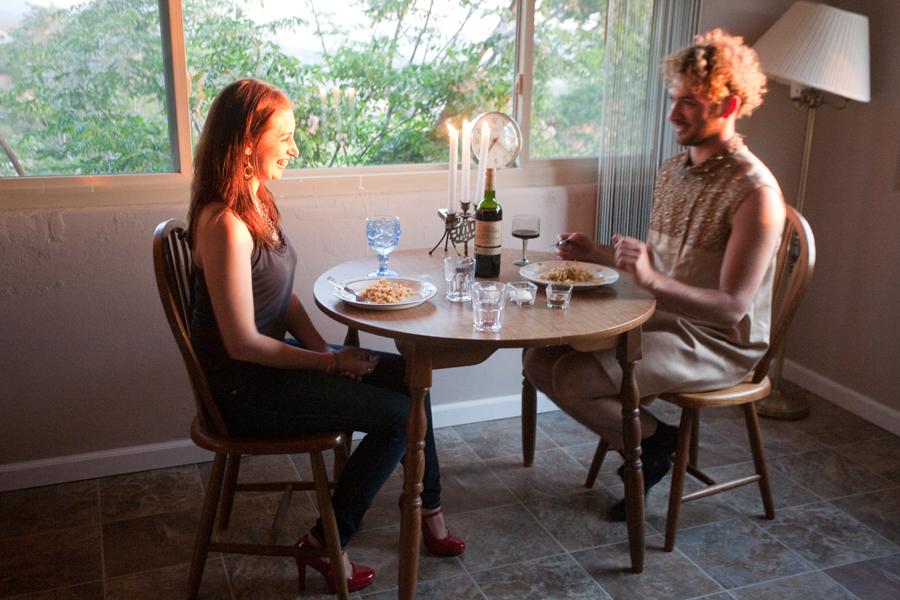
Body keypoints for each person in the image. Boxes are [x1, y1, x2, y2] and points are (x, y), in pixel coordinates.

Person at [187, 79, 464, 594]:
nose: (294, 148)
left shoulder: (257, 201)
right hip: (244, 391)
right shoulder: (224, 224)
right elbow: (241, 344)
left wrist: (322, 347)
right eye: (284, 136)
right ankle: (325, 541)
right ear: (247, 141)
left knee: (411, 377)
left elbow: (283, 296)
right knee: (400, 416)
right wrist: (331, 365)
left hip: (277, 363)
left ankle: (430, 510)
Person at [524, 29, 786, 521]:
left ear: (728, 105)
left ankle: (652, 447)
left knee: (577, 380)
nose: (673, 115)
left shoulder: (756, 193)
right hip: (659, 316)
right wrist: (597, 253)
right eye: (674, 99)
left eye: (690, 102)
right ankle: (654, 440)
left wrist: (649, 279)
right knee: (539, 360)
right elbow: (661, 269)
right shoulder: (674, 170)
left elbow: (731, 308)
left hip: (717, 340)